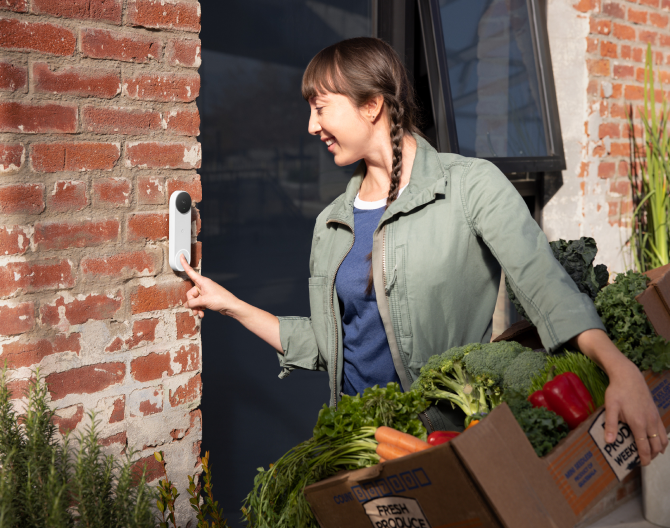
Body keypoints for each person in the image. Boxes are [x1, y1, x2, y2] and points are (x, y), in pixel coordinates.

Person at [180, 37, 667, 464]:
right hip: (356, 443)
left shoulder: (468, 185)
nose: (311, 126)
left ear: (371, 105)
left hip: (443, 442)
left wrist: (617, 366)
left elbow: (544, 284)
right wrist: (232, 306)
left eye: (320, 107)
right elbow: (336, 345)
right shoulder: (332, 222)